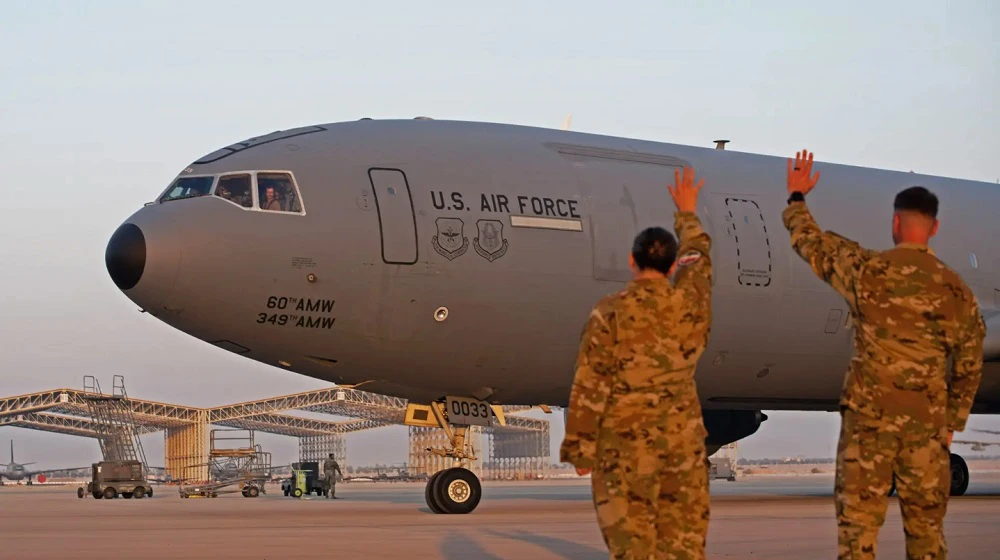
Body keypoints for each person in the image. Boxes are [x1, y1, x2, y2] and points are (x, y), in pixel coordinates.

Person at [782, 150, 987, 559]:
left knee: (857, 534)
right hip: (925, 429)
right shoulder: (955, 291)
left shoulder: (867, 271)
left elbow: (811, 244)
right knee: (926, 536)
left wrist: (796, 198)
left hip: (868, 428)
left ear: (895, 223)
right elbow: (969, 364)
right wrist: (951, 422)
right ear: (934, 228)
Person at [560, 166, 714, 559]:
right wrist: (687, 212)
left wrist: (581, 448)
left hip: (624, 449)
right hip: (682, 448)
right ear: (673, 265)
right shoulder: (690, 305)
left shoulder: (609, 312)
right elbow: (699, 263)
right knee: (684, 549)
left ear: (632, 261)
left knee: (632, 549)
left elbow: (590, 382)